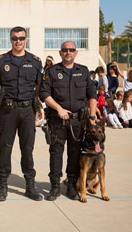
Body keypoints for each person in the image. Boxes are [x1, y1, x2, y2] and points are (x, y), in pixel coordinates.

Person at [0, 26, 43, 201]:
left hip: (28, 110)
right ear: (10, 40)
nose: (18, 41)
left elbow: (39, 86)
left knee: (27, 149)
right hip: (8, 110)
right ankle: (2, 186)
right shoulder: (0, 61)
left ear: (26, 39)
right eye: (14, 38)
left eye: (21, 38)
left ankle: (30, 186)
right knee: (5, 148)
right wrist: (0, 102)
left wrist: (38, 106)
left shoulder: (35, 61)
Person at [40, 41, 97, 201]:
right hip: (57, 120)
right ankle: (55, 186)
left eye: (71, 50)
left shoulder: (83, 71)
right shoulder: (51, 71)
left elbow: (92, 95)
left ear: (76, 52)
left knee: (74, 153)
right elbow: (44, 93)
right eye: (65, 50)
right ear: (60, 52)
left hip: (78, 121)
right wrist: (58, 108)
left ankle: (71, 184)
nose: (68, 52)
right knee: (56, 152)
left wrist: (92, 117)